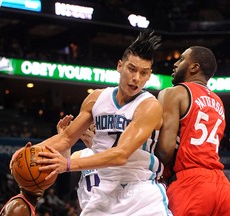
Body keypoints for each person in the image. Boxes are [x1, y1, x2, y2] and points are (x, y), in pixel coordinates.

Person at [20, 30, 170, 215]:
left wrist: (67, 165)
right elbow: (67, 138)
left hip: (140, 193)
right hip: (103, 191)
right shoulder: (97, 98)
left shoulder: (149, 106)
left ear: (149, 75)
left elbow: (121, 154)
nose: (136, 78)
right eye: (132, 69)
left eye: (143, 73)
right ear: (119, 66)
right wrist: (27, 151)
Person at [155, 46, 230, 215]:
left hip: (191, 184)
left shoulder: (174, 93)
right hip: (222, 185)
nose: (175, 64)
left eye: (181, 59)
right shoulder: (218, 101)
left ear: (194, 67)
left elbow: (165, 151)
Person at [56, 115, 99, 210]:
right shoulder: (80, 155)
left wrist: (96, 146)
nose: (95, 122)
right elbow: (64, 187)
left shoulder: (120, 150)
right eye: (93, 119)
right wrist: (64, 141)